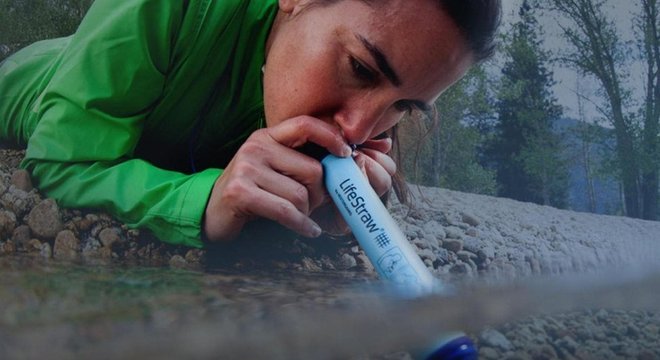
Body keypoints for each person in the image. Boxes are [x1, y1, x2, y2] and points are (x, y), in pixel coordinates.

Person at [0, 0, 501, 248]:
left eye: (403, 107)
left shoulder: (360, 127)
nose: (357, 130)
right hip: (29, 74)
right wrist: (201, 205)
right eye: (360, 69)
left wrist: (333, 217)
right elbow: (60, 162)